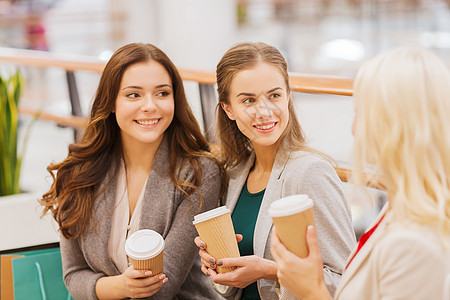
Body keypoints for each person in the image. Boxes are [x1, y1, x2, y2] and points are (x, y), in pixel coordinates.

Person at [40, 43, 225, 300]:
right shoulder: (79, 172)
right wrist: (121, 287)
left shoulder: (199, 172)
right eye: (134, 95)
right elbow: (74, 275)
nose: (150, 106)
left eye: (162, 93)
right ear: (112, 102)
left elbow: (162, 286)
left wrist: (115, 287)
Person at [271, 47, 450, 300]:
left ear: (393, 125)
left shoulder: (416, 244)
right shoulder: (403, 208)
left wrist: (312, 292)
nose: (354, 129)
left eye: (361, 112)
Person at [194, 42, 357, 299]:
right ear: (228, 109)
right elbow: (230, 285)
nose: (264, 111)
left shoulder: (311, 173)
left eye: (274, 96)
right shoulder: (235, 173)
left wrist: (269, 271)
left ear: (288, 96)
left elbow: (348, 282)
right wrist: (218, 265)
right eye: (248, 100)